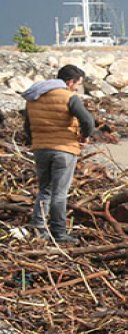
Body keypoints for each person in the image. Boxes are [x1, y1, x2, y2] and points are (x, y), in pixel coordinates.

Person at [22, 64, 95, 243]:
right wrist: (84, 137)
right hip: (64, 149)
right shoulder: (69, 97)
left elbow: (27, 126)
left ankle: (39, 229)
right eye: (78, 84)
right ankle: (60, 233)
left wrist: (36, 142)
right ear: (70, 82)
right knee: (60, 193)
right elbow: (88, 121)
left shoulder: (33, 97)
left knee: (44, 190)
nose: (78, 87)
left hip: (41, 149)